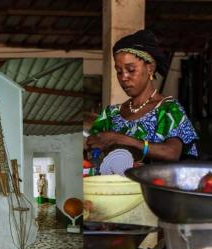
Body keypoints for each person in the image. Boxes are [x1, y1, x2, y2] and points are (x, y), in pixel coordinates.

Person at [85, 30, 198, 162]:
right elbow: (91, 146)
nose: (124, 77)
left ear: (149, 68)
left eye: (131, 70)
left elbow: (172, 153)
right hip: (113, 182)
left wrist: (119, 138)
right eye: (119, 71)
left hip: (151, 182)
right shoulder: (111, 114)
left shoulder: (168, 109)